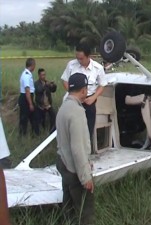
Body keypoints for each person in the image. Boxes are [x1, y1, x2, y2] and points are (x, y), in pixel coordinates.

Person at [56, 73, 94, 225]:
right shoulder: (77, 112)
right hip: (74, 169)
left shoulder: (63, 107)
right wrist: (85, 176)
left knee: (68, 206)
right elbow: (78, 148)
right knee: (85, 210)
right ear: (84, 90)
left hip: (63, 162)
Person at [61, 43, 107, 151]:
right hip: (73, 102)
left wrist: (94, 97)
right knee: (72, 129)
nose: (79, 61)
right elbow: (65, 81)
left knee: (87, 130)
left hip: (89, 102)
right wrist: (73, 95)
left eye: (81, 59)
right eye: (77, 58)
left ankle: (85, 154)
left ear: (88, 56)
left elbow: (102, 85)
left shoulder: (98, 68)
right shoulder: (71, 65)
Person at [18, 58, 39, 136]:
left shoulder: (27, 74)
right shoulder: (26, 75)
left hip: (27, 97)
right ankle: (22, 135)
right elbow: (27, 90)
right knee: (24, 118)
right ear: (32, 65)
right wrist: (30, 104)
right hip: (26, 98)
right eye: (34, 65)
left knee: (33, 116)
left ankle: (35, 133)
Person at [34, 68, 57, 132]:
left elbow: (53, 90)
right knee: (40, 120)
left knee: (53, 116)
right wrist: (45, 86)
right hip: (40, 105)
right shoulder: (36, 83)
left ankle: (51, 130)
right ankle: (39, 133)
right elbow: (38, 91)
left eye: (44, 75)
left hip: (48, 105)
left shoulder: (47, 82)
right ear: (39, 75)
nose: (44, 76)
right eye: (42, 75)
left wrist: (53, 85)